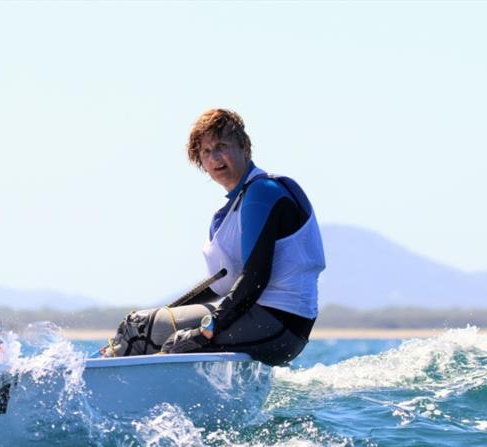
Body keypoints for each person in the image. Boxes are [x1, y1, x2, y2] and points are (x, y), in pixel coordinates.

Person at [101, 109, 325, 366]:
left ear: (244, 147)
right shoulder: (232, 211)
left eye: (221, 146)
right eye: (206, 152)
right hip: (278, 325)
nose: (215, 158)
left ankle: (92, 384)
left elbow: (254, 278)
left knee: (146, 331)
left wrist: (207, 330)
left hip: (277, 323)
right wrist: (164, 314)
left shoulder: (262, 193)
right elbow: (226, 282)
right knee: (141, 325)